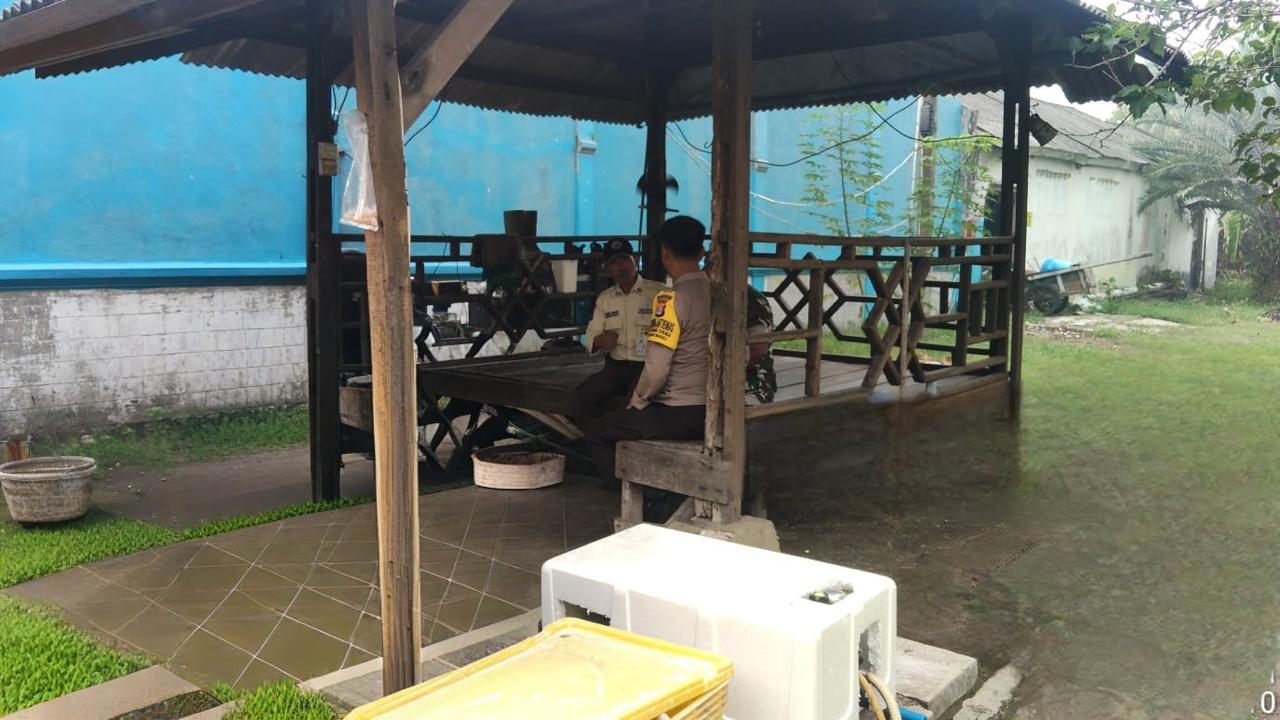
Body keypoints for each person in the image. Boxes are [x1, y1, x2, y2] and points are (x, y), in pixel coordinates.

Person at [585, 216, 711, 489]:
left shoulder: (669, 300)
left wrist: (639, 400)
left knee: (598, 432)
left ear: (665, 253)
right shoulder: (719, 293)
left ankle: (641, 500)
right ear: (702, 252)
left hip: (679, 412)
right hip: (715, 406)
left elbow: (656, 369)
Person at [571, 238, 667, 423]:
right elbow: (589, 337)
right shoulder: (605, 299)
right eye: (614, 262)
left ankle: (615, 437)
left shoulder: (658, 292)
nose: (621, 266)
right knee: (582, 397)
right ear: (607, 268)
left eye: (624, 259)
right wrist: (599, 341)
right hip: (616, 367)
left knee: (632, 406)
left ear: (635, 260)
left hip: (647, 367)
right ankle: (592, 438)